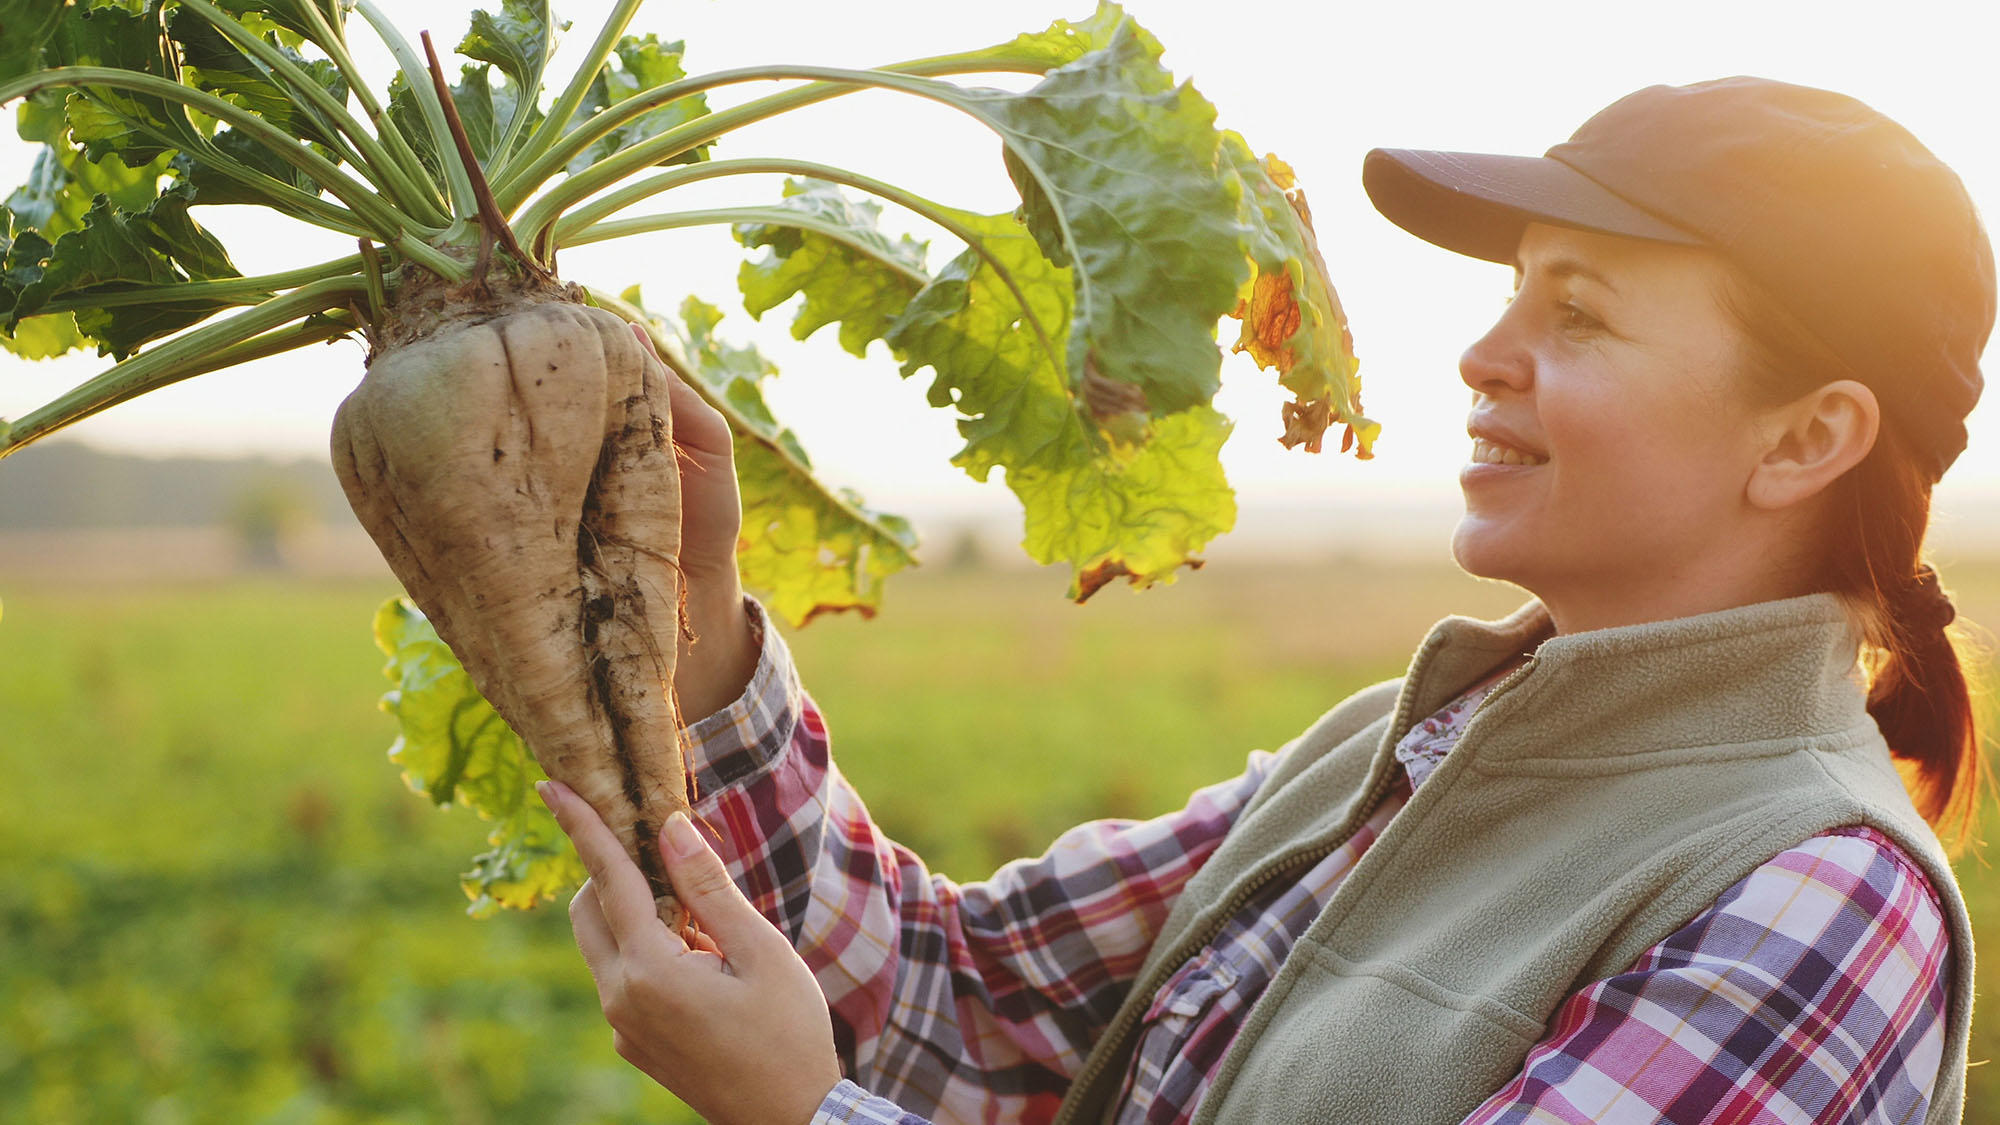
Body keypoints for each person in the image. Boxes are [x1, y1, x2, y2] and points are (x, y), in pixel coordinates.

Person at [536, 76, 1991, 1125]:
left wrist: (806, 1114)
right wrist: (701, 614)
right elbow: (965, 1006)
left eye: (1582, 312)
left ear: (1808, 438)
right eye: (1514, 293)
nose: (1484, 352)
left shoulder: (1820, 896)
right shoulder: (1400, 747)